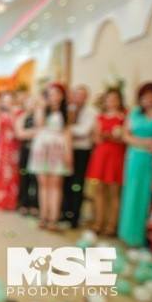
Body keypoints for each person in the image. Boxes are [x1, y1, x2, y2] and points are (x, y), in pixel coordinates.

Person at [28, 83, 72, 232]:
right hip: (42, 146)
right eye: (51, 93)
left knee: (56, 185)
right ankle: (43, 216)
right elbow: (39, 124)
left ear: (62, 95)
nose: (54, 96)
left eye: (57, 93)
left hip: (58, 148)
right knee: (43, 184)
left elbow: (67, 133)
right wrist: (42, 106)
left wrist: (68, 152)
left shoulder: (67, 111)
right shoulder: (42, 109)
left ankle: (54, 218)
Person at [118, 82, 152, 246]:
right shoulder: (134, 114)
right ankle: (128, 234)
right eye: (144, 96)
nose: (147, 99)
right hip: (135, 157)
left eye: (151, 96)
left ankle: (146, 235)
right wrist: (143, 142)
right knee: (132, 194)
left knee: (148, 195)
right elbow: (125, 135)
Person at [86, 88, 126, 236]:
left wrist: (116, 135)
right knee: (98, 190)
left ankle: (112, 225)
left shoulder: (124, 117)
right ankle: (98, 222)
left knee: (114, 192)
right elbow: (96, 138)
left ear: (119, 100)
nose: (111, 101)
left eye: (115, 98)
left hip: (116, 155)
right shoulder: (100, 117)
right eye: (108, 98)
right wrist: (101, 136)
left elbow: (124, 137)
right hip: (101, 155)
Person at [62, 85, 97, 228]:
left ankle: (75, 217)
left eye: (82, 95)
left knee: (77, 184)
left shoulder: (91, 112)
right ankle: (66, 212)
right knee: (66, 182)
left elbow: (84, 131)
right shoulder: (69, 110)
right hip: (67, 149)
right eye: (76, 95)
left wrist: (68, 130)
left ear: (86, 97)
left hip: (82, 151)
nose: (78, 98)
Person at [0, 92, 21, 210]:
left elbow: (17, 129)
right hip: (1, 146)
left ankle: (11, 201)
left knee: (12, 173)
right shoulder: (0, 115)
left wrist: (12, 115)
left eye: (9, 100)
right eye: (5, 101)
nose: (7, 103)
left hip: (13, 146)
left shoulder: (18, 113)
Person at [16, 95, 39, 216]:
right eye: (29, 102)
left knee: (36, 178)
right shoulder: (21, 117)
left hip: (38, 150)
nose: (31, 105)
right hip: (25, 149)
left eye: (33, 102)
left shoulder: (40, 116)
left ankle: (35, 204)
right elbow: (20, 134)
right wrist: (34, 133)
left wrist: (29, 133)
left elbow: (41, 130)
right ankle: (24, 203)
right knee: (24, 176)